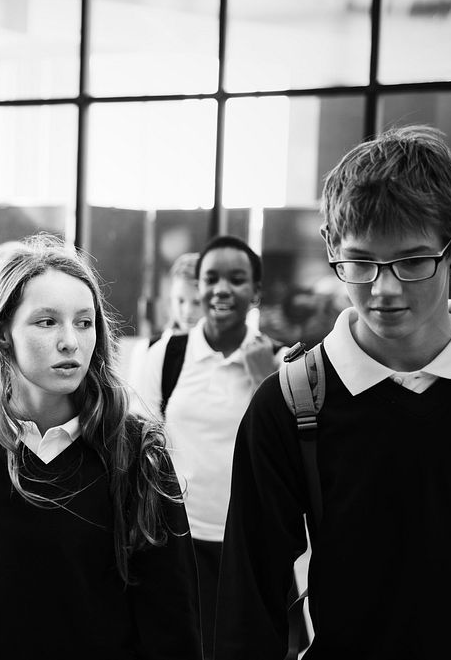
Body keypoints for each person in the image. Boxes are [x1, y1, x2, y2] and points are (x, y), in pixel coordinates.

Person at [215, 125, 451, 659]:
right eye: (361, 262)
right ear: (331, 248)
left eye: (413, 261)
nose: (385, 289)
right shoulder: (292, 401)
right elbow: (248, 596)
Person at [0, 234, 202, 660]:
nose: (70, 342)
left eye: (83, 322)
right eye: (47, 322)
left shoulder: (137, 452)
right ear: (3, 335)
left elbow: (172, 622)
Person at [131, 234, 284, 660]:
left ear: (255, 292)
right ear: (198, 288)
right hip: (178, 543)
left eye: (237, 279)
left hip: (248, 549)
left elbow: (282, 457)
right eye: (211, 278)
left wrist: (263, 380)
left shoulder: (279, 364)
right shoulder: (167, 356)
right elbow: (140, 445)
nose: (221, 289)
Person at [150, 251, 202, 345]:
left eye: (197, 302)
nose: (188, 311)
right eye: (181, 301)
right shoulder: (153, 348)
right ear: (171, 299)